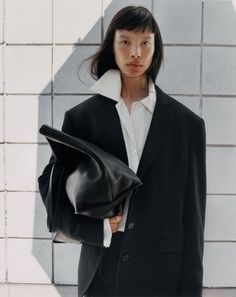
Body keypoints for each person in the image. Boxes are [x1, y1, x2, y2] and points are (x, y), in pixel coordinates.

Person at [38, 6, 206, 297]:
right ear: (112, 47)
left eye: (145, 43)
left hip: (163, 278)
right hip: (101, 275)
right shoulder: (81, 119)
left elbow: (193, 219)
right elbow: (53, 193)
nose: (136, 53)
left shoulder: (187, 125)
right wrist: (98, 229)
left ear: (156, 49)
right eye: (125, 42)